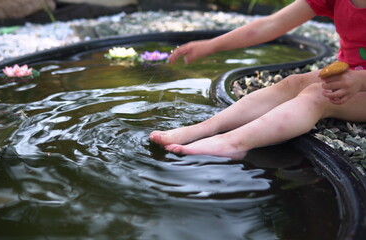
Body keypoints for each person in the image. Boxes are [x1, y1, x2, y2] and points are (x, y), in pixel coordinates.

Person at [149, 0, 366, 159]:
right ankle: (204, 128)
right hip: (352, 75)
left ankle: (233, 143)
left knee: (318, 96)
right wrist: (212, 45)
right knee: (293, 83)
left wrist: (359, 80)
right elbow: (272, 24)